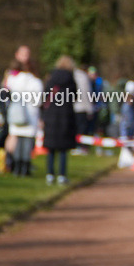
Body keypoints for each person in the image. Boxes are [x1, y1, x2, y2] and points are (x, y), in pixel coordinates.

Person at [42, 56, 78, 185]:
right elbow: (74, 96)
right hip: (65, 115)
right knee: (63, 148)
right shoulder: (71, 80)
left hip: (51, 115)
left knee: (51, 148)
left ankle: (50, 174)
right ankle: (62, 175)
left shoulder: (51, 79)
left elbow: (46, 96)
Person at [3, 60, 43, 177]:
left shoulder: (14, 80)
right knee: (27, 142)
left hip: (16, 113)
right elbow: (38, 101)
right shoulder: (36, 82)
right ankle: (25, 167)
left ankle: (16, 167)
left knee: (17, 140)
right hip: (30, 115)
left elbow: (6, 92)